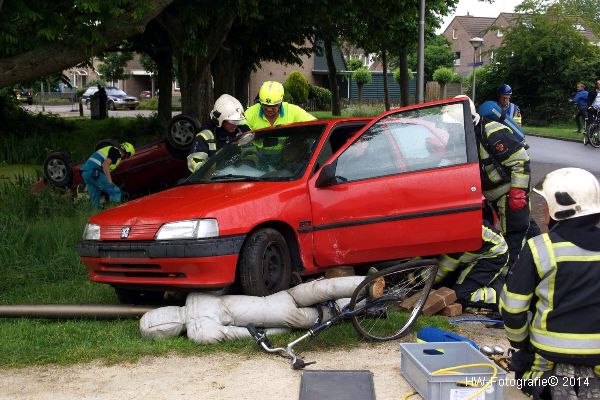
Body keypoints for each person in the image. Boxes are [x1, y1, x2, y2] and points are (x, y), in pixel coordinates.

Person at [500, 167, 600, 399]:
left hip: (548, 353)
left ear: (559, 210)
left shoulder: (540, 247)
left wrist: (521, 345)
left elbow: (513, 309)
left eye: (546, 203)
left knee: (528, 377)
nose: (543, 209)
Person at [465, 95, 534, 265]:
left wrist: (518, 192)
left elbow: (520, 160)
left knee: (514, 237)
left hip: (510, 194)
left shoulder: (492, 131)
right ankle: (541, 258)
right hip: (495, 196)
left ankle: (514, 275)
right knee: (527, 229)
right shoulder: (469, 134)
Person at [432, 220, 508, 310]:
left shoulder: (458, 235)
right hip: (478, 253)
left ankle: (501, 296)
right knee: (444, 285)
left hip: (493, 256)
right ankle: (492, 281)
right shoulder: (451, 226)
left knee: (460, 296)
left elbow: (445, 266)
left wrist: (422, 281)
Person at [187, 94, 250, 173]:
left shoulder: (242, 132)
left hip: (240, 178)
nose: (235, 125)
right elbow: (194, 162)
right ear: (220, 120)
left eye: (238, 121)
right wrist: (210, 174)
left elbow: (251, 153)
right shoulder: (205, 136)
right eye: (232, 121)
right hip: (213, 182)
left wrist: (248, 166)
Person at [80, 142, 135, 208]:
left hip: (86, 172)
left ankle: (95, 213)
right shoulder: (116, 152)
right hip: (93, 172)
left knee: (95, 199)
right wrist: (110, 182)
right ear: (127, 153)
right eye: (128, 156)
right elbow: (105, 165)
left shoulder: (111, 150)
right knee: (114, 191)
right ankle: (114, 213)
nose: (126, 158)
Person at [244, 81, 316, 130]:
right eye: (265, 105)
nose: (269, 109)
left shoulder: (293, 111)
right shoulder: (250, 113)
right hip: (257, 151)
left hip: (288, 151)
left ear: (282, 100)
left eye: (274, 105)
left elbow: (316, 125)